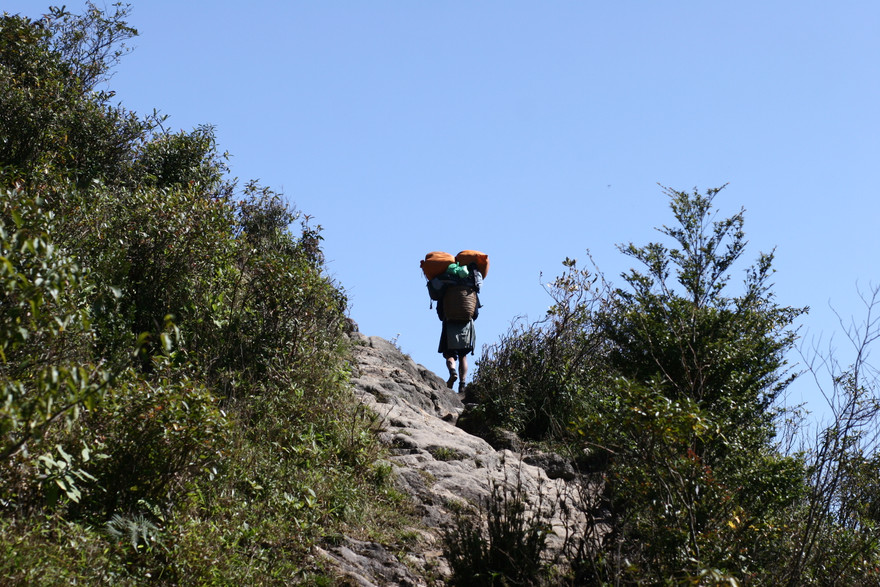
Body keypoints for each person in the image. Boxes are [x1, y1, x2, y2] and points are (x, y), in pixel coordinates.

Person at [429, 263, 482, 393]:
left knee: (449, 354)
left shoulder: (446, 286)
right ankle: (462, 384)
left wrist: (446, 317)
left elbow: (440, 311)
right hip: (466, 323)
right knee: (463, 355)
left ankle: (452, 371)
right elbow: (475, 313)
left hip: (449, 322)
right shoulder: (470, 286)